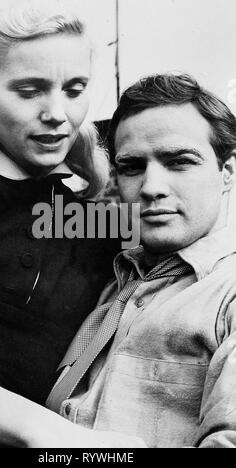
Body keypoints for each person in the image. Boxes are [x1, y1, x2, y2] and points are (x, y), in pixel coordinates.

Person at [0, 1, 120, 447]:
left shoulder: (93, 216)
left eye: (75, 89)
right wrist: (51, 436)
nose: (58, 113)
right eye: (29, 90)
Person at [46, 73, 236, 448]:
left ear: (226, 172)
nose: (151, 187)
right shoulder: (114, 283)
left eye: (179, 161)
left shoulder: (227, 294)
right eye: (132, 167)